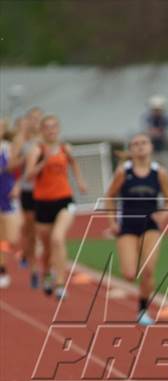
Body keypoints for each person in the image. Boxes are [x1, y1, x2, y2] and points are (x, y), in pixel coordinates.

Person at [106, 132, 168, 325]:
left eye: (144, 143)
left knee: (149, 269)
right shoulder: (123, 171)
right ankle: (133, 267)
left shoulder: (160, 173)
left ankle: (143, 310)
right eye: (135, 144)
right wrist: (112, 222)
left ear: (151, 147)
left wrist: (164, 213)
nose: (140, 146)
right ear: (131, 150)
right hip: (127, 225)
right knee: (129, 275)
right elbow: (110, 197)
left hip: (150, 226)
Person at [23, 115, 87, 299]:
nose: (51, 130)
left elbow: (73, 164)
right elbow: (28, 176)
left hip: (64, 200)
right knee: (47, 248)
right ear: (42, 130)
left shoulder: (65, 148)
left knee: (58, 239)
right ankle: (46, 273)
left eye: (54, 127)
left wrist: (80, 181)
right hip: (43, 203)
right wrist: (44, 161)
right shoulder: (37, 150)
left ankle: (60, 283)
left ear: (58, 129)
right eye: (47, 127)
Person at [11, 107, 44, 287]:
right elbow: (11, 165)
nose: (35, 122)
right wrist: (25, 160)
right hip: (28, 191)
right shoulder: (22, 142)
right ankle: (33, 269)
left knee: (47, 232)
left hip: (47, 192)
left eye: (39, 118)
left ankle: (48, 266)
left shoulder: (49, 142)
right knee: (31, 231)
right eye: (32, 118)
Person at [0, 118, 23, 288]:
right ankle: (2, 269)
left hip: (6, 194)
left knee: (11, 237)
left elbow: (17, 169)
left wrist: (17, 185)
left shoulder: (8, 148)